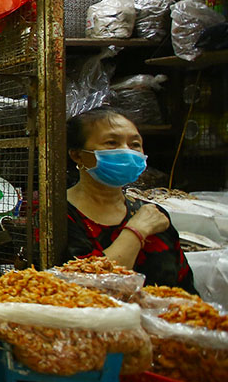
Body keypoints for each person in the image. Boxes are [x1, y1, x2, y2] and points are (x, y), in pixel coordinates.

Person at [64, 107, 196, 292]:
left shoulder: (153, 214)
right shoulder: (58, 215)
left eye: (135, 144)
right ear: (78, 155)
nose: (127, 152)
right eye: (111, 142)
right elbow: (88, 289)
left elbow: (185, 288)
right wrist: (137, 230)